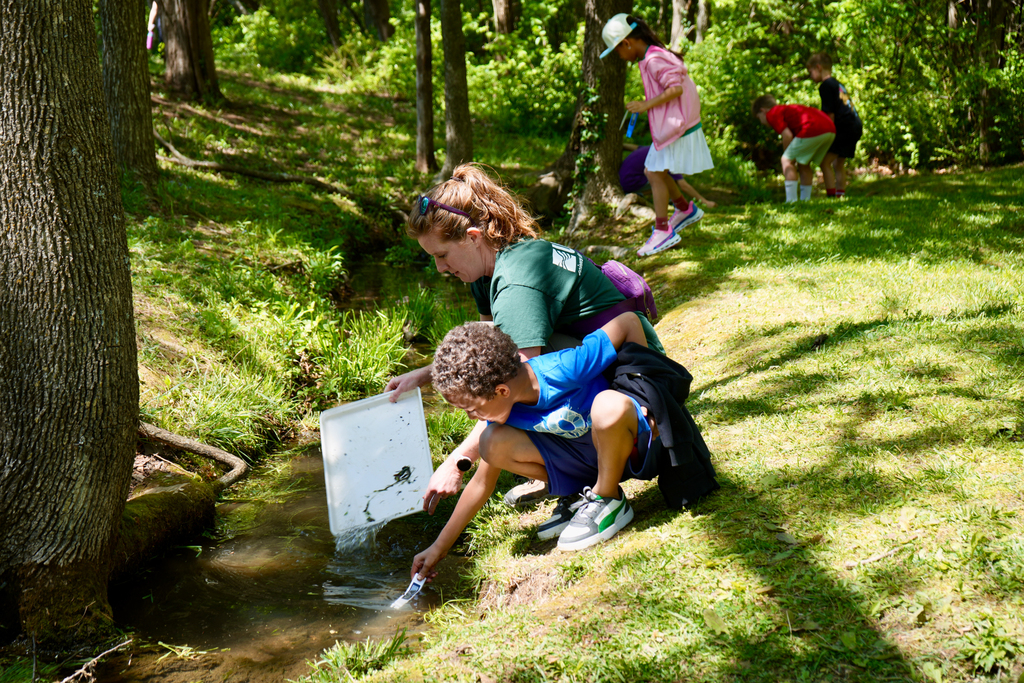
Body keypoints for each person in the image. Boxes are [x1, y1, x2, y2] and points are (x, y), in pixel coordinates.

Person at [385, 164, 666, 521]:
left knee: (518, 387)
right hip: (600, 356)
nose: (440, 268)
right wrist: (423, 375)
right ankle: (573, 474)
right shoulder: (487, 268)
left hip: (635, 373)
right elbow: (488, 344)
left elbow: (506, 381)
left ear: (472, 237)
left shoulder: (517, 281)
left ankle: (587, 484)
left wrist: (459, 462)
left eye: (442, 255)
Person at [411, 313, 655, 580]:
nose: (471, 418)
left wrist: (644, 393)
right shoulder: (506, 410)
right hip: (588, 462)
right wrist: (438, 547)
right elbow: (481, 483)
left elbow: (629, 322)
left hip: (628, 447)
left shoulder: (565, 368)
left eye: (472, 409)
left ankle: (608, 498)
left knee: (608, 405)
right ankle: (580, 493)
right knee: (490, 443)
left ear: (502, 391)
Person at [600, 14, 716, 257]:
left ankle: (663, 230)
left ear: (627, 43)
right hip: (676, 125)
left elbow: (675, 88)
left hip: (678, 126)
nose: (620, 57)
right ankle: (684, 209)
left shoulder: (653, 58)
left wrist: (645, 105)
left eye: (617, 51)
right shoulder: (651, 56)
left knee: (653, 171)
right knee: (654, 171)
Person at [752, 94, 836, 203]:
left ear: (763, 111)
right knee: (803, 163)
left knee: (786, 160)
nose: (761, 122)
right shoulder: (785, 109)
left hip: (813, 128)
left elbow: (787, 135)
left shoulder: (772, 113)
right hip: (830, 128)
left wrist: (788, 157)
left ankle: (791, 201)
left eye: (759, 118)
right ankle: (805, 201)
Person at [806, 53, 863, 198]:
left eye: (810, 72)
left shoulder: (825, 86)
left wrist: (822, 137)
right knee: (838, 164)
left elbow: (829, 116)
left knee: (825, 162)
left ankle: (831, 196)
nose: (810, 76)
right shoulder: (838, 84)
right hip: (855, 125)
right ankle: (840, 195)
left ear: (818, 68)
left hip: (844, 127)